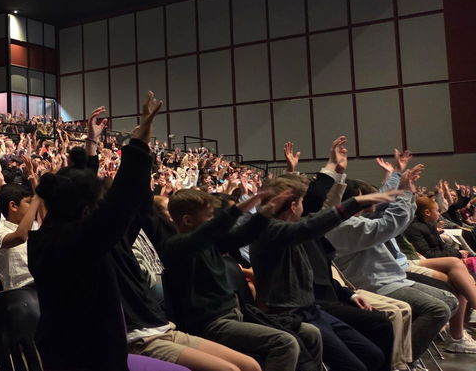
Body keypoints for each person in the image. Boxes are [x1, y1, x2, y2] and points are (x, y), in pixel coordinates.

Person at [29, 98, 247, 371]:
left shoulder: (74, 232)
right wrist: (139, 142)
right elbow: (121, 199)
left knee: (248, 367)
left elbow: (86, 191)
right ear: (87, 209)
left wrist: (92, 145)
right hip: (92, 353)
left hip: (153, 328)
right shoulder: (73, 242)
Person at [249, 171, 399, 371]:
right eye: (301, 201)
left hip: (311, 310)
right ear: (294, 206)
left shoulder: (289, 226)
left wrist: (335, 170)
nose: (305, 206)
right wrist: (355, 201)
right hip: (287, 316)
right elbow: (317, 222)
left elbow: (322, 214)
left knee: (372, 355)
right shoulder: (271, 232)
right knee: (354, 366)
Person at [163, 186, 322, 371]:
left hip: (236, 315)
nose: (214, 220)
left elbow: (243, 234)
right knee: (284, 343)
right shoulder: (177, 247)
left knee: (311, 333)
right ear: (187, 220)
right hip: (211, 325)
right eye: (209, 216)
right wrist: (240, 208)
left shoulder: (210, 243)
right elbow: (205, 234)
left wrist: (266, 212)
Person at [325, 159, 463, 365]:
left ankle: (403, 351)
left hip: (390, 278)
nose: (376, 199)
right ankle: (399, 362)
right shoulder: (346, 226)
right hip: (372, 284)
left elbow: (385, 207)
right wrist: (405, 191)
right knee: (438, 309)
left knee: (450, 300)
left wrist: (398, 177)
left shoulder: (359, 219)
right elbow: (391, 224)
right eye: (369, 197)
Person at [0, 183, 36, 291]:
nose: (33, 207)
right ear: (13, 206)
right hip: (20, 293)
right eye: (29, 202)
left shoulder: (35, 227)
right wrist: (37, 200)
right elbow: (20, 237)